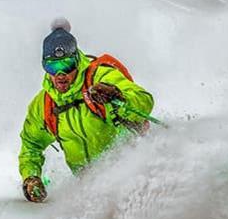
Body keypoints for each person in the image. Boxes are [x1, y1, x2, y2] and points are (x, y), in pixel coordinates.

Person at [18, 19, 154, 202]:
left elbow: (143, 100)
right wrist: (31, 177)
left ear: (76, 60)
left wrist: (118, 95)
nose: (60, 75)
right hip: (89, 188)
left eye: (66, 66)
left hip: (132, 173)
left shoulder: (100, 77)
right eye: (52, 66)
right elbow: (31, 145)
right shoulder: (45, 105)